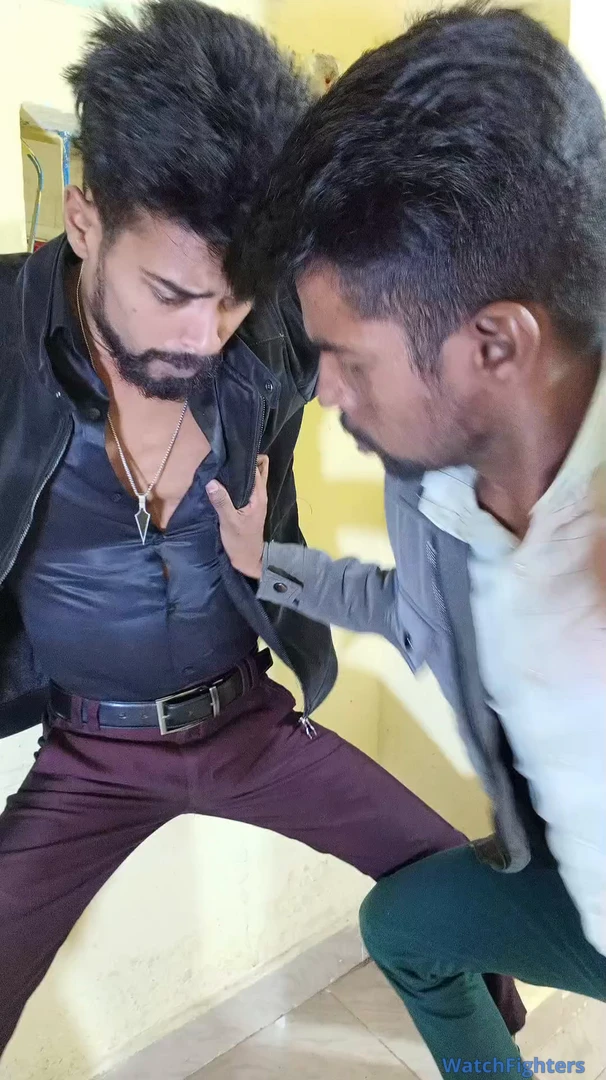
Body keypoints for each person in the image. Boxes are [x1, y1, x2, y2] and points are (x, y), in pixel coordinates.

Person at [0, 0, 523, 1057]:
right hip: (89, 753)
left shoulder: (276, 334)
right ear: (85, 219)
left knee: (465, 906)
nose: (205, 338)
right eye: (171, 294)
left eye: (234, 300)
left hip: (248, 723)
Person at [209, 3, 606, 1074]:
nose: (322, 394)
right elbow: (408, 610)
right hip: (559, 869)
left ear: (494, 346)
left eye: (349, 360)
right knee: (408, 929)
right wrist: (265, 564)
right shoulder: (427, 476)